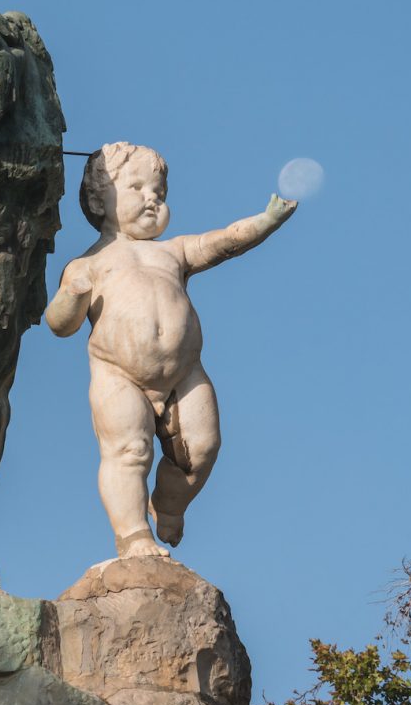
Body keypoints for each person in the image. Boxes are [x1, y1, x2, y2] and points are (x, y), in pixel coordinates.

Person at [46, 142, 296, 558]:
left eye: (159, 193)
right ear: (97, 199)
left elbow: (222, 242)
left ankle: (169, 504)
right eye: (137, 188)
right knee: (128, 452)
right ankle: (132, 535)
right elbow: (60, 324)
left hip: (184, 371)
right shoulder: (89, 264)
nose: (151, 199)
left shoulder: (173, 251)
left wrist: (265, 221)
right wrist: (73, 295)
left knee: (202, 449)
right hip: (118, 374)